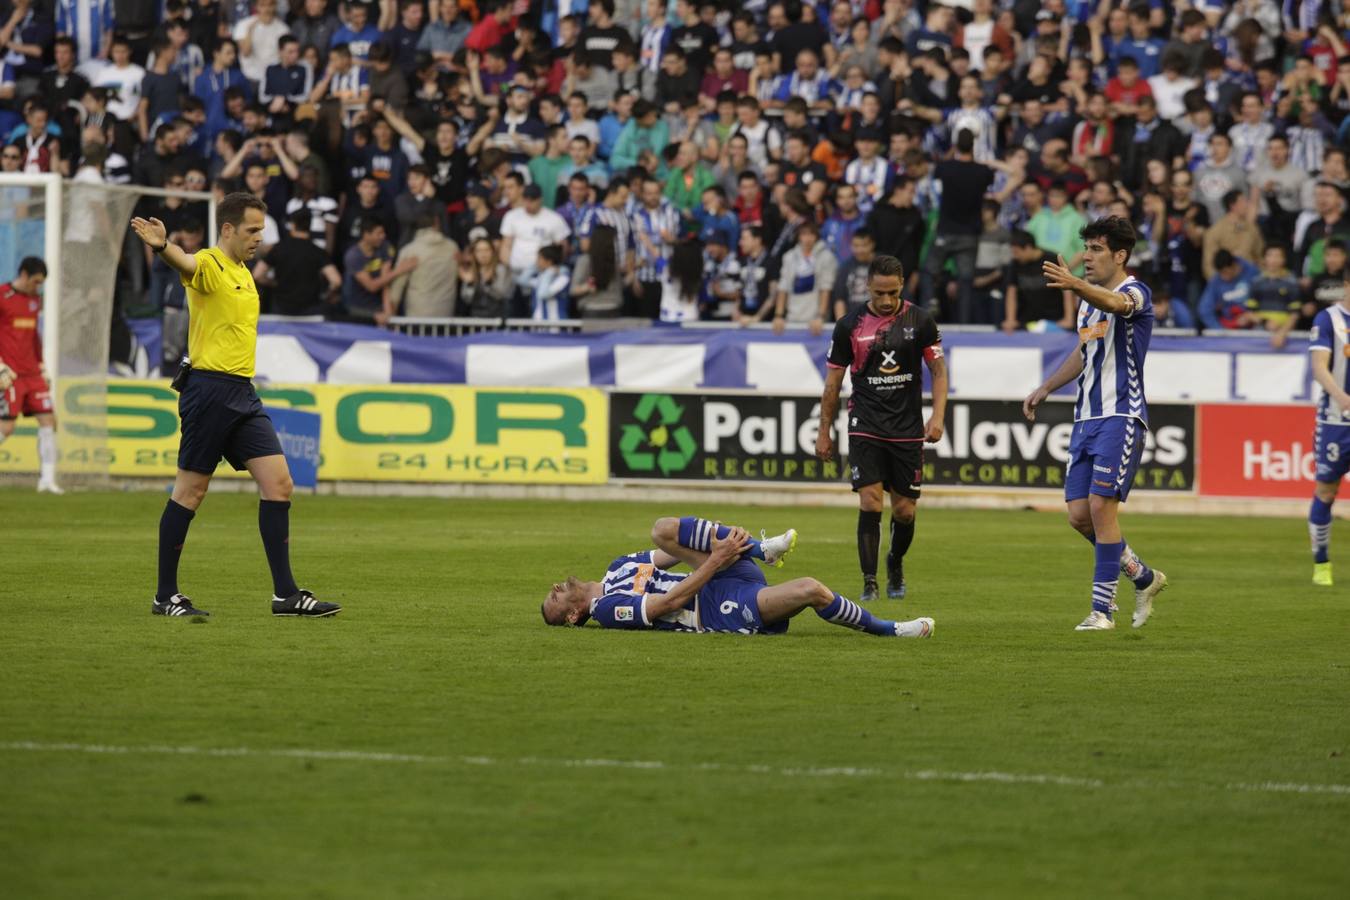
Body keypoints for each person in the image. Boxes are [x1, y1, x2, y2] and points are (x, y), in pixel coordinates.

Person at [129, 194, 341, 618]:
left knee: (279, 483)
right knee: (191, 492)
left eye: (261, 230)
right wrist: (161, 246)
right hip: (208, 392)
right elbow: (185, 263)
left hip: (242, 393)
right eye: (252, 231)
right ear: (228, 229)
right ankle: (164, 595)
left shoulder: (245, 273)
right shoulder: (210, 264)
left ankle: (285, 595)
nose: (259, 239)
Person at [1023, 217, 1169, 631]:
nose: (1086, 256)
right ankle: (1143, 576)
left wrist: (1076, 286)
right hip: (1086, 418)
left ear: (1120, 255)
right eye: (1085, 247)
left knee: (1103, 509)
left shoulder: (1134, 292)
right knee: (1079, 516)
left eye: (1096, 249)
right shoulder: (1088, 301)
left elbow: (1116, 305)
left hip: (1121, 415)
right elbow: (1085, 350)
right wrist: (1047, 386)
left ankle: (1101, 611)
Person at [541, 514, 934, 639]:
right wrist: (714, 559)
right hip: (716, 609)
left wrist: (721, 546)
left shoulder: (617, 567)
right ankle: (890, 629)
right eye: (555, 601)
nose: (556, 589)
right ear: (574, 616)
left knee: (662, 528)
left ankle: (764, 549)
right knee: (811, 589)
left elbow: (670, 550)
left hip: (722, 571)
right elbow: (668, 603)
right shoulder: (607, 609)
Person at [816, 254, 948, 604]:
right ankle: (870, 581)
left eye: (892, 292)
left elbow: (938, 371)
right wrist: (823, 430)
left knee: (904, 511)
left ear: (902, 285)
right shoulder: (849, 325)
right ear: (867, 288)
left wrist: (938, 417)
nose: (886, 300)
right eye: (879, 293)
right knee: (871, 501)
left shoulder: (920, 321)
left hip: (907, 427)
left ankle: (895, 561)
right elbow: (832, 383)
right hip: (866, 422)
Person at [0, 257, 61, 494]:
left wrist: (42, 365)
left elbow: (34, 336)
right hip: (11, 374)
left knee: (49, 421)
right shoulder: (3, 296)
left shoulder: (35, 300)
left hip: (33, 374)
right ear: (24, 274)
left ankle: (47, 480)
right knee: (6, 428)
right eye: (35, 281)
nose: (38, 287)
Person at [920, 129, 993, 323]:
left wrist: (951, 152)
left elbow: (936, 172)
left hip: (945, 231)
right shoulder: (982, 171)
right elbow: (990, 179)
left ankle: (931, 303)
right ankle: (964, 322)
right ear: (974, 145)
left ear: (955, 145)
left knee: (928, 271)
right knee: (965, 281)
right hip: (970, 235)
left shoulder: (945, 167)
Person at [1307, 267, 1350, 586]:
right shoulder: (1329, 320)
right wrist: (1342, 397)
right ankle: (1321, 562)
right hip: (1336, 420)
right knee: (1327, 489)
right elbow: (1319, 367)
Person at [253, 211, 341, 317]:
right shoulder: (317, 251)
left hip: (282, 308)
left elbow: (257, 275)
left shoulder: (279, 249)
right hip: (310, 309)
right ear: (309, 225)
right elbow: (336, 281)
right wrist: (326, 295)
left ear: (293, 225)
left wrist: (273, 283)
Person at [389, 212, 459, 318]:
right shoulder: (452, 247)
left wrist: (391, 315)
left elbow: (398, 287)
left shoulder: (409, 251)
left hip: (417, 316)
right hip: (446, 316)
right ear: (436, 223)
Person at [458, 238, 514, 318]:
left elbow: (502, 294)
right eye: (479, 251)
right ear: (474, 254)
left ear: (492, 252)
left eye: (486, 250)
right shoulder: (471, 271)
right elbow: (467, 299)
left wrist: (488, 283)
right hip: (476, 319)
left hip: (497, 319)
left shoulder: (501, 270)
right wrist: (470, 283)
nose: (483, 254)